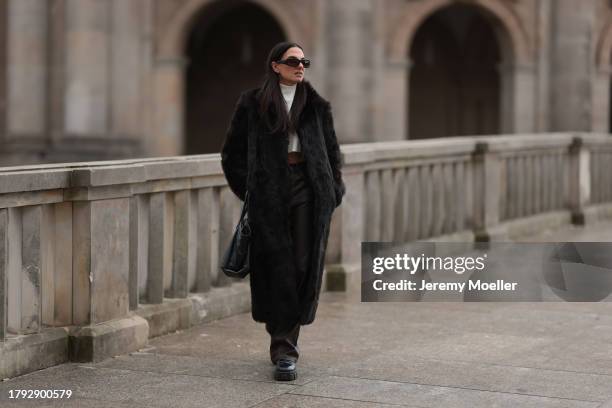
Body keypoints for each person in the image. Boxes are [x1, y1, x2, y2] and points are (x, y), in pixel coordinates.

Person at [221, 41, 345, 381]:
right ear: (275, 65)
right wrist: (253, 188)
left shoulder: (316, 105)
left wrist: (333, 189)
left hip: (308, 188)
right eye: (293, 61)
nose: (300, 66)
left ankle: (287, 343)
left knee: (303, 265)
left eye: (304, 60)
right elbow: (231, 155)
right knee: (276, 266)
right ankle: (283, 350)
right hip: (270, 193)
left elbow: (332, 152)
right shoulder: (253, 103)